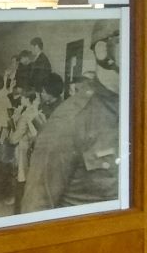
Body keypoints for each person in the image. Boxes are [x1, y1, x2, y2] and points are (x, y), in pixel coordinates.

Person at [22, 21, 121, 212]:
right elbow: (36, 208)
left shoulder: (138, 108)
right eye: (126, 43)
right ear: (102, 51)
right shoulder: (68, 121)